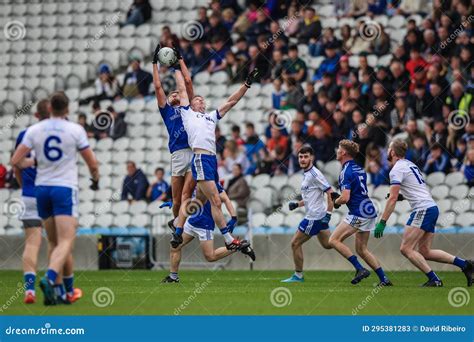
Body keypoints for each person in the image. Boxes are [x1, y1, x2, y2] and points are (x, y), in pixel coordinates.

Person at [11, 92, 99, 305]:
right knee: (66, 241)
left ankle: (59, 293)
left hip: (40, 190)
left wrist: (36, 162)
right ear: (67, 110)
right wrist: (95, 179)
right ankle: (51, 279)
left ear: (50, 108)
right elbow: (92, 163)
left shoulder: (34, 130)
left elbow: (16, 161)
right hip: (63, 189)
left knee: (52, 242)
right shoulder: (75, 129)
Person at [172, 60, 259, 250]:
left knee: (197, 202)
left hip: (211, 160)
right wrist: (176, 66)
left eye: (203, 99)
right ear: (191, 104)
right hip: (201, 158)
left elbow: (231, 102)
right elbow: (182, 87)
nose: (201, 100)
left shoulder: (210, 117)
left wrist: (246, 85)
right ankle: (229, 239)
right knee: (216, 201)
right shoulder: (187, 113)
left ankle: (178, 231)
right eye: (197, 99)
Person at [375, 139, 473, 287]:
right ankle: (466, 265)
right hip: (431, 207)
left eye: (389, 148)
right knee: (425, 251)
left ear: (393, 152)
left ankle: (434, 279)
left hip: (423, 209)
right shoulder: (410, 164)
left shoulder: (396, 169)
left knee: (406, 249)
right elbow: (414, 188)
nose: (387, 151)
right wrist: (402, 196)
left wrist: (382, 222)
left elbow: (392, 198)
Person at [329, 140, 392, 286]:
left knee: (333, 240)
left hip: (359, 213)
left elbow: (345, 198)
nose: (337, 151)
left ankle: (359, 269)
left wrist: (335, 202)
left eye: (339, 149)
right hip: (368, 210)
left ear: (344, 152)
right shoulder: (359, 169)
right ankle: (384, 279)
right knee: (361, 249)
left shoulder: (345, 171)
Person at [162, 184, 255, 283]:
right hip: (191, 222)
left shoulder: (210, 181)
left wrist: (233, 217)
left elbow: (226, 199)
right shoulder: (191, 180)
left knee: (210, 257)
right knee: (175, 246)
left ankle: (240, 245)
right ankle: (173, 277)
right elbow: (187, 197)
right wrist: (175, 203)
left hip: (204, 225)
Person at [152, 44, 196, 231]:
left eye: (177, 93)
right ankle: (177, 223)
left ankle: (180, 229)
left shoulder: (189, 108)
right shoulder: (166, 111)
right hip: (177, 154)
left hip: (192, 152)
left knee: (186, 196)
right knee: (176, 200)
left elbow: (186, 80)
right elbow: (157, 86)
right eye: (171, 95)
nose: (174, 94)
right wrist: (154, 63)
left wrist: (179, 60)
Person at [282, 145, 333, 283]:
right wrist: (298, 204)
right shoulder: (307, 174)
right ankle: (357, 266)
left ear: (312, 157)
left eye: (306, 156)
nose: (303, 159)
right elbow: (312, 197)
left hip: (314, 217)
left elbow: (330, 192)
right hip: (318, 215)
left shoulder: (315, 174)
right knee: (329, 244)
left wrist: (329, 213)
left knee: (295, 243)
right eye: (300, 157)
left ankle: (298, 276)